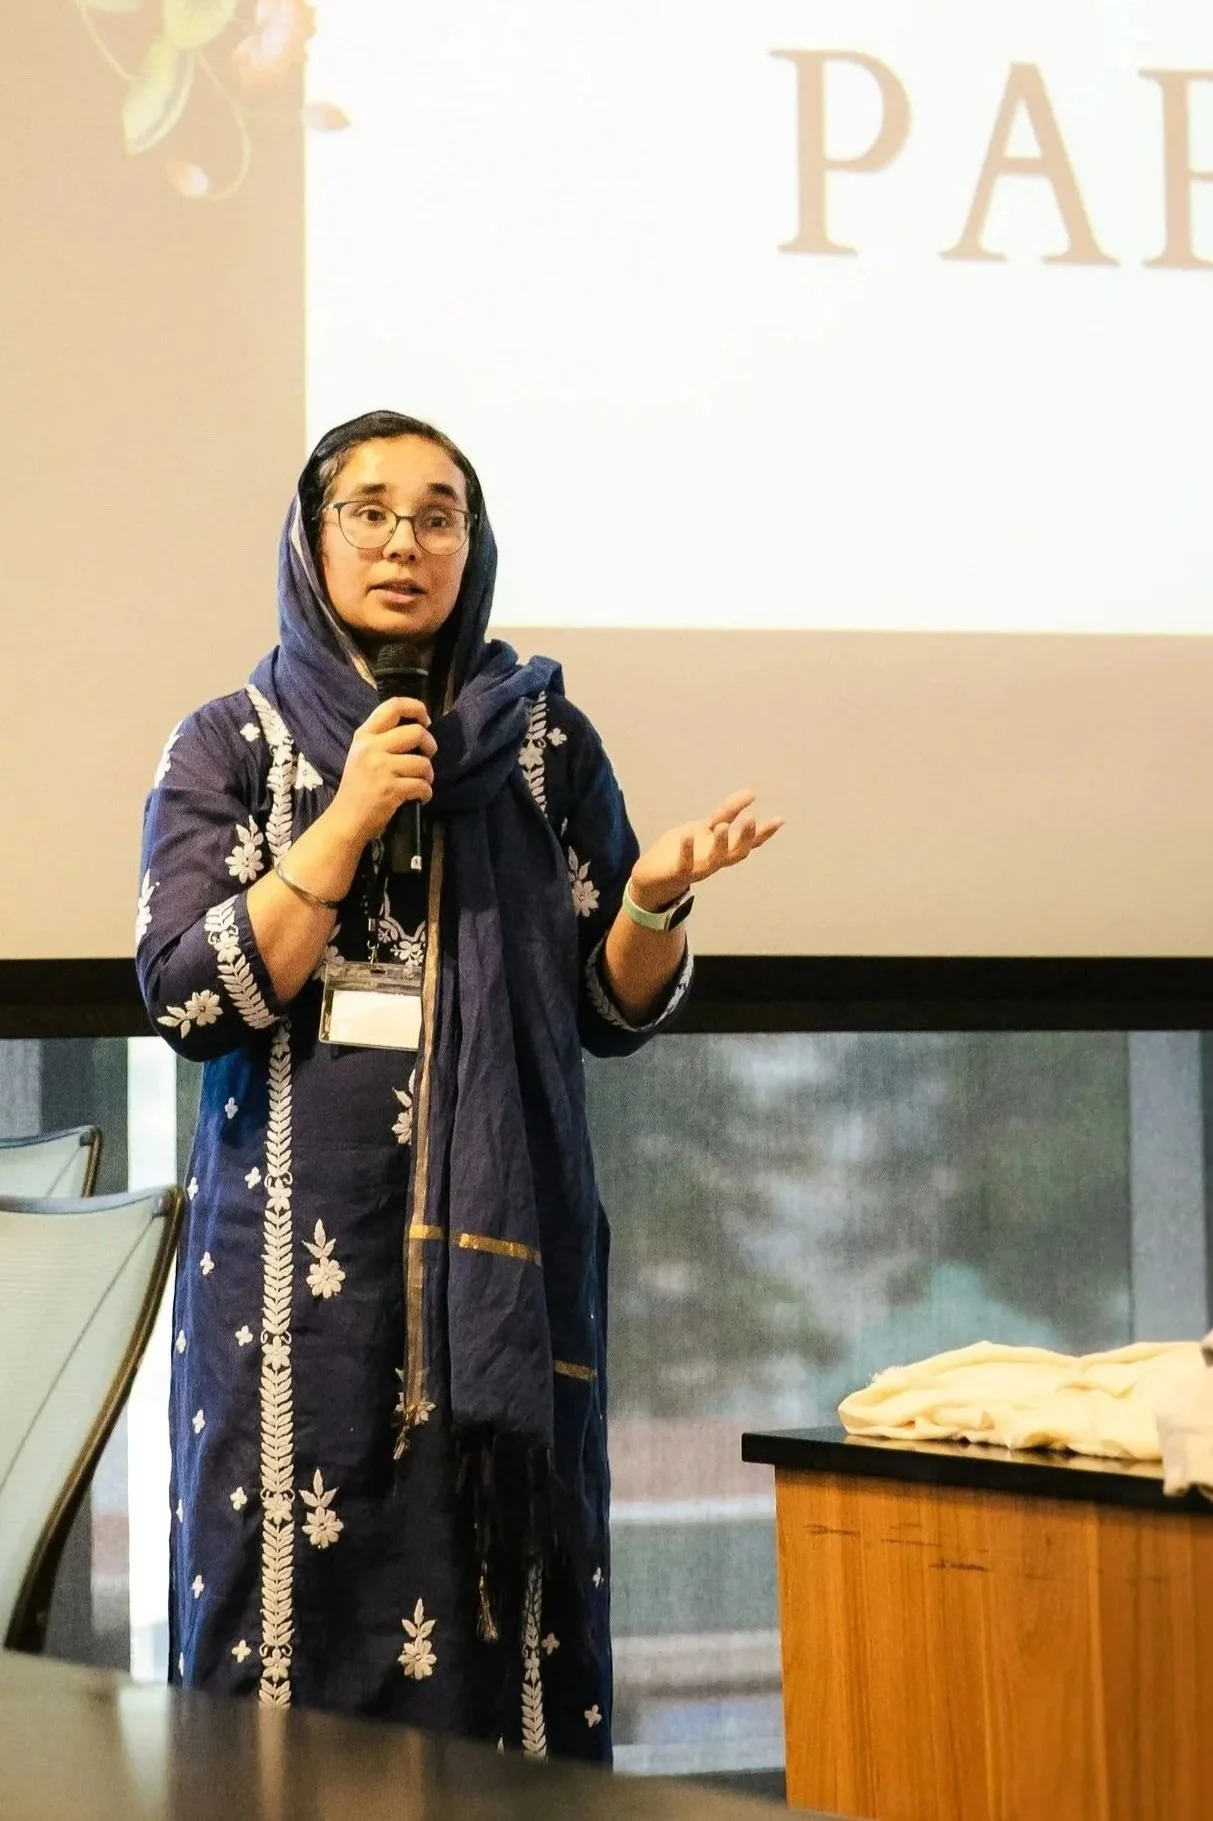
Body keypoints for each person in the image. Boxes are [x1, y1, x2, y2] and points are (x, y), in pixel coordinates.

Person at [135, 409, 781, 1760]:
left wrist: (655, 902)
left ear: (471, 549)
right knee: (289, 1640)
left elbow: (608, 1009)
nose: (404, 543)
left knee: (502, 1627)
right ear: (312, 541)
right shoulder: (230, 746)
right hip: (296, 1296)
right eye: (369, 511)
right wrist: (348, 818)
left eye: (438, 516)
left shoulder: (542, 743)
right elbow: (192, 996)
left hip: (506, 1277)